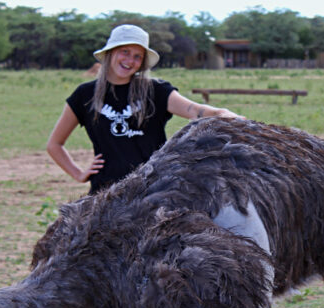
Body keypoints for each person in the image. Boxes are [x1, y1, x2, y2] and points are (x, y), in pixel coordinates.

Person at [47, 24, 240, 193]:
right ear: (110, 53)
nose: (130, 61)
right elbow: (54, 144)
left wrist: (220, 113)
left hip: (156, 191)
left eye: (137, 56)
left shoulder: (156, 91)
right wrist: (79, 174)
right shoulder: (85, 95)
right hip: (106, 195)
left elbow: (194, 110)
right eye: (124, 52)